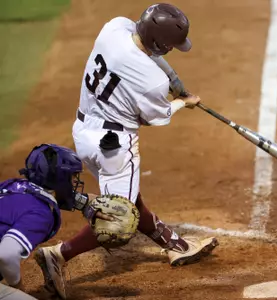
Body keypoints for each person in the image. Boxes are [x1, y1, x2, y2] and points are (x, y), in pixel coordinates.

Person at [34, 3, 219, 299]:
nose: (172, 50)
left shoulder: (113, 27)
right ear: (159, 43)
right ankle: (58, 254)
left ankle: (174, 245)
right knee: (121, 217)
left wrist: (172, 77)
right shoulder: (152, 82)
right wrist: (184, 101)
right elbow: (154, 117)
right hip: (116, 147)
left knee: (128, 197)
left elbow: (145, 58)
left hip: (84, 132)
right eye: (169, 45)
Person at [0, 143, 114, 300]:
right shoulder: (40, 213)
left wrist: (85, 202)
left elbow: (40, 194)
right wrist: (16, 286)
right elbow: (6, 255)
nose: (75, 182)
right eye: (72, 177)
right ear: (60, 180)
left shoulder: (11, 186)